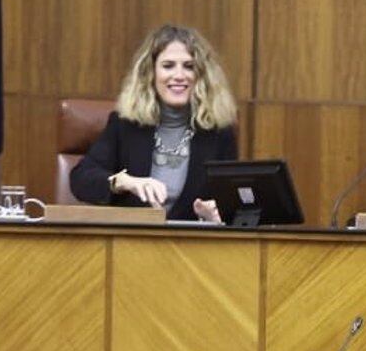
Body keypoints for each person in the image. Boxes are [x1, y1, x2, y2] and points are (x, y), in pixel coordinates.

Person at [69, 24, 239, 222]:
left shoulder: (219, 133)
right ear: (150, 74)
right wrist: (124, 182)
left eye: (189, 66)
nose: (179, 76)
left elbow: (231, 204)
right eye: (168, 66)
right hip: (131, 243)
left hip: (190, 247)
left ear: (202, 76)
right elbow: (81, 180)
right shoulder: (125, 125)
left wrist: (216, 215)